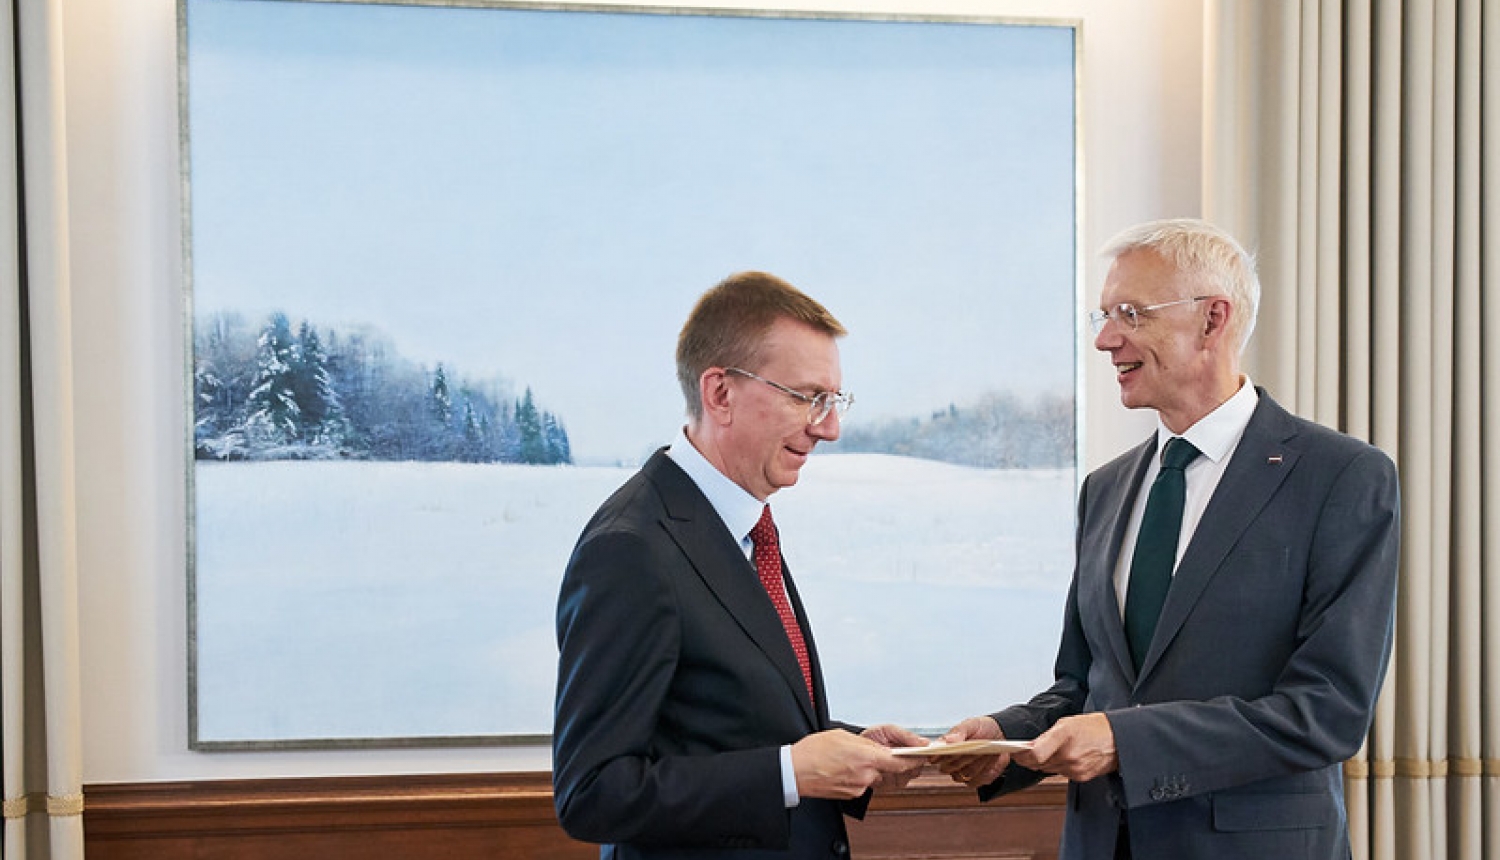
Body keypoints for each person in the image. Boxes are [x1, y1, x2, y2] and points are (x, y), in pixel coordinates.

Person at [937, 218, 1400, 859]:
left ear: (1213, 319)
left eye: (1129, 313)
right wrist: (1004, 738)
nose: (1104, 339)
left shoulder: (1341, 477)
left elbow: (1328, 711)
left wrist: (1126, 742)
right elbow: (1086, 687)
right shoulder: (1106, 488)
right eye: (1101, 315)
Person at [553, 271, 927, 859]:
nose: (829, 427)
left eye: (832, 401)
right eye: (807, 397)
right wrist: (789, 772)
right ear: (720, 393)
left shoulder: (744, 525)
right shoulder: (630, 548)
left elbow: (721, 724)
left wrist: (853, 749)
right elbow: (593, 792)